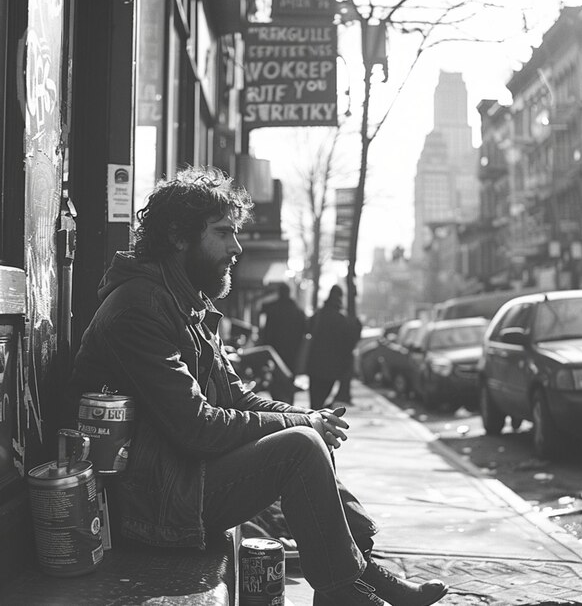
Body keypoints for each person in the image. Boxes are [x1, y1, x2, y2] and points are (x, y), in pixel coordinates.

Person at [66, 166, 447, 606]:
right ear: (178, 236)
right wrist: (303, 424)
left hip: (177, 479)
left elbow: (236, 398)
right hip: (149, 505)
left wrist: (310, 417)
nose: (237, 247)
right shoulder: (139, 309)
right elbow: (198, 427)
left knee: (307, 436)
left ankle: (359, 574)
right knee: (301, 448)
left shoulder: (183, 301)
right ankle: (345, 589)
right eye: (223, 233)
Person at [306, 285, 358, 410]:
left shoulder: (318, 316)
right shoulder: (342, 320)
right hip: (332, 368)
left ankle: (313, 420)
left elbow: (307, 331)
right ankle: (317, 421)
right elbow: (348, 344)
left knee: (314, 401)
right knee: (322, 398)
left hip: (315, 364)